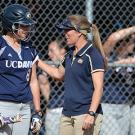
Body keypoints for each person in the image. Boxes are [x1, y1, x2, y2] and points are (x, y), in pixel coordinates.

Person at [38, 15, 106, 135]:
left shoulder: (92, 54)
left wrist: (91, 114)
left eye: (67, 30)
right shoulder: (69, 54)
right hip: (67, 113)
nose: (64, 33)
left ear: (79, 32)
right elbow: (59, 74)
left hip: (85, 114)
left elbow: (99, 88)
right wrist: (37, 61)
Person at [0, 4, 42, 135]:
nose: (27, 28)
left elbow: (33, 81)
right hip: (3, 106)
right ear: (10, 25)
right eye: (23, 25)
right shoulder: (1, 45)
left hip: (24, 107)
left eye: (28, 25)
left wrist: (37, 111)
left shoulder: (29, 48)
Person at [100, 24, 135, 135]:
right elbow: (113, 38)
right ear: (124, 43)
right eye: (131, 42)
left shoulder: (131, 59)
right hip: (108, 106)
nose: (133, 46)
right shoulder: (109, 58)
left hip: (126, 107)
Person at [38, 39, 66, 135]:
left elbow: (60, 76)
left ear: (62, 50)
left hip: (70, 109)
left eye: (52, 50)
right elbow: (43, 82)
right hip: (54, 107)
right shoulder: (51, 65)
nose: (49, 54)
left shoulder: (70, 61)